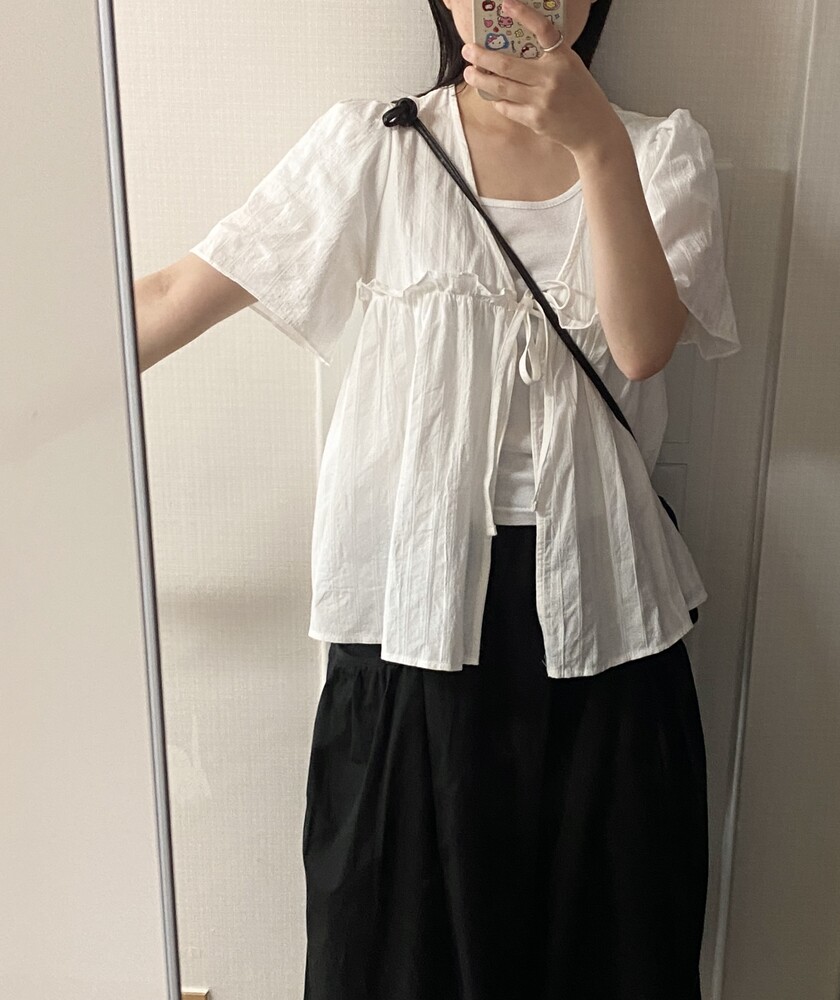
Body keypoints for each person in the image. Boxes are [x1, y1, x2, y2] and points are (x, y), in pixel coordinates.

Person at [135, 0, 741, 996]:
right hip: (411, 621)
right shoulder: (374, 147)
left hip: (602, 623)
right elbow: (170, 296)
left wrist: (595, 144)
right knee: (394, 958)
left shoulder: (659, 151)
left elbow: (641, 346)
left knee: (607, 957)